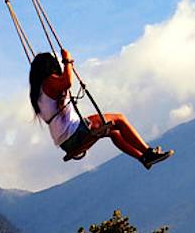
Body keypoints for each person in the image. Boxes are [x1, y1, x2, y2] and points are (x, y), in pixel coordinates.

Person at [29, 48, 173, 169]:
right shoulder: (49, 82)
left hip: (66, 143)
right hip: (74, 133)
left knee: (114, 132)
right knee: (119, 119)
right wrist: (67, 61)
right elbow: (67, 82)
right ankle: (148, 152)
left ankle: (143, 158)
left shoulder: (38, 94)